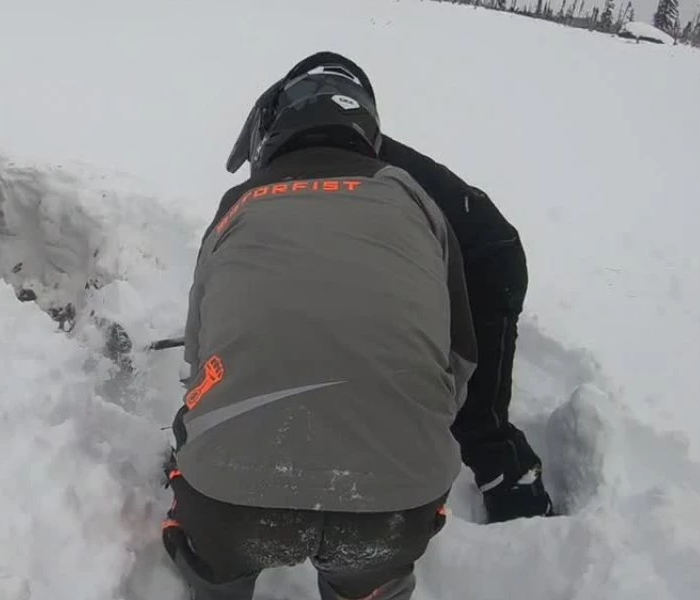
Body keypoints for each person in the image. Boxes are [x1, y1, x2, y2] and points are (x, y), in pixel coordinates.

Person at [162, 51, 477, 600]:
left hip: (234, 501)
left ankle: (216, 577)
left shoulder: (239, 205)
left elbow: (197, 358)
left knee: (216, 549)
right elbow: (459, 361)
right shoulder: (416, 201)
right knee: (373, 573)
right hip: (394, 508)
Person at [374, 136, 554, 524]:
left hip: (483, 264)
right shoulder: (343, 155)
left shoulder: (349, 165)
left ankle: (522, 505)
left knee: (477, 414)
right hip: (442, 261)